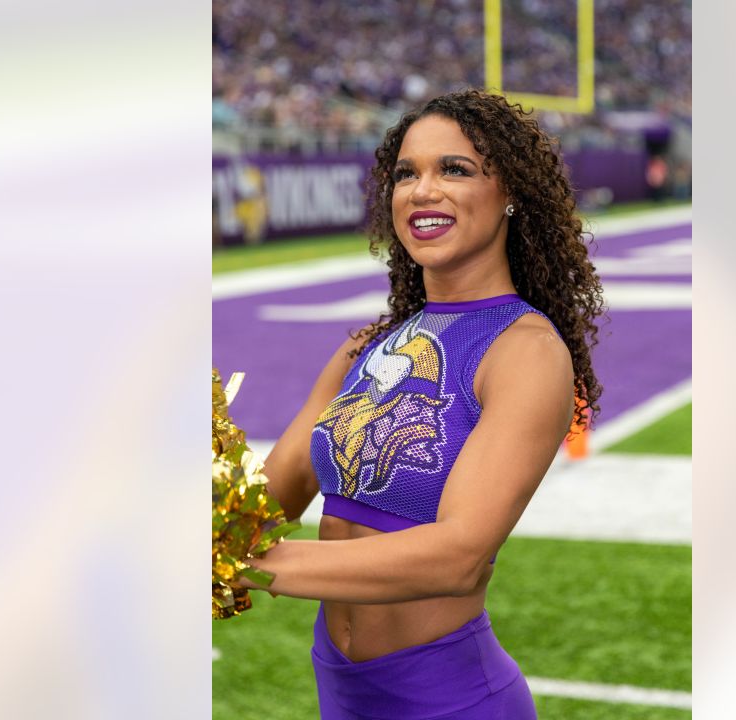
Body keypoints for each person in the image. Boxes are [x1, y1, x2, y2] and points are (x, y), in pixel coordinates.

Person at [234, 89, 605, 718]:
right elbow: (270, 499)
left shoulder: (527, 352)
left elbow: (457, 556)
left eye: (454, 169)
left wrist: (244, 566)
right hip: (343, 694)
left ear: (510, 192)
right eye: (407, 173)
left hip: (452, 701)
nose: (422, 190)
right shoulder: (364, 348)